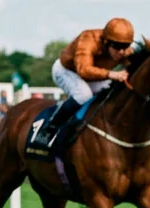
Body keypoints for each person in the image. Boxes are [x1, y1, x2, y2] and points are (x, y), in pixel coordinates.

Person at [29, 17, 139, 154]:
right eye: (117, 46)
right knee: (83, 94)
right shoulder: (88, 39)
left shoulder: (123, 50)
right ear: (106, 41)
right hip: (67, 71)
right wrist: (112, 74)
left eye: (125, 46)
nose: (121, 52)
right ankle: (50, 127)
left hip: (96, 75)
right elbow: (84, 70)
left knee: (112, 91)